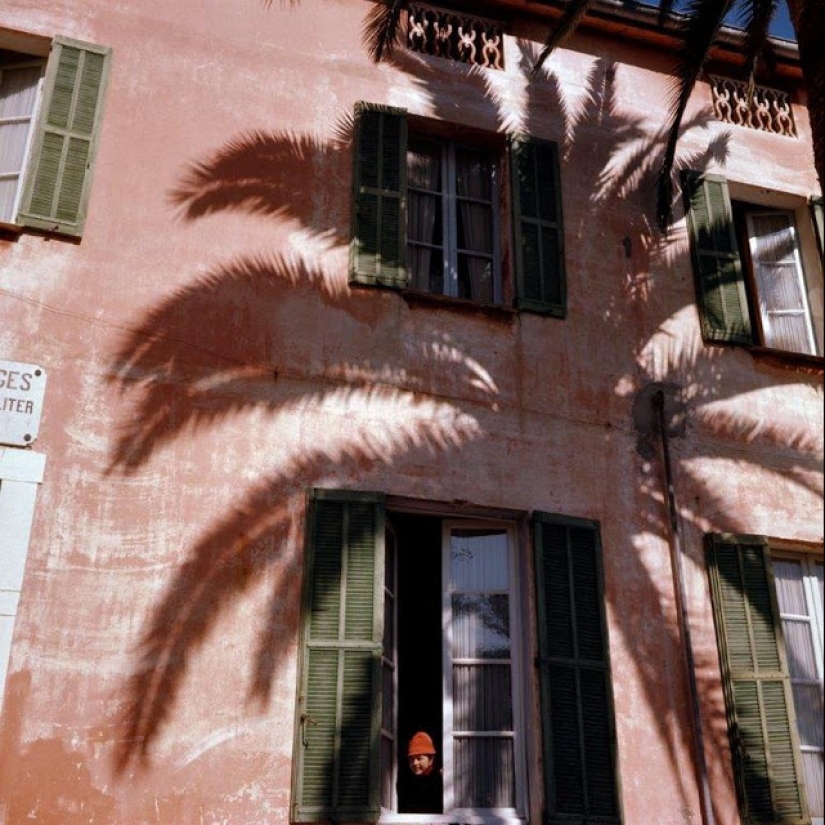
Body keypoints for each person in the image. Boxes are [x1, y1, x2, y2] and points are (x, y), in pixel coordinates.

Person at [401, 731, 442, 813]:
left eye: (419, 758)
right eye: (411, 759)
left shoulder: (440, 779)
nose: (415, 763)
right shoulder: (405, 781)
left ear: (431, 760)